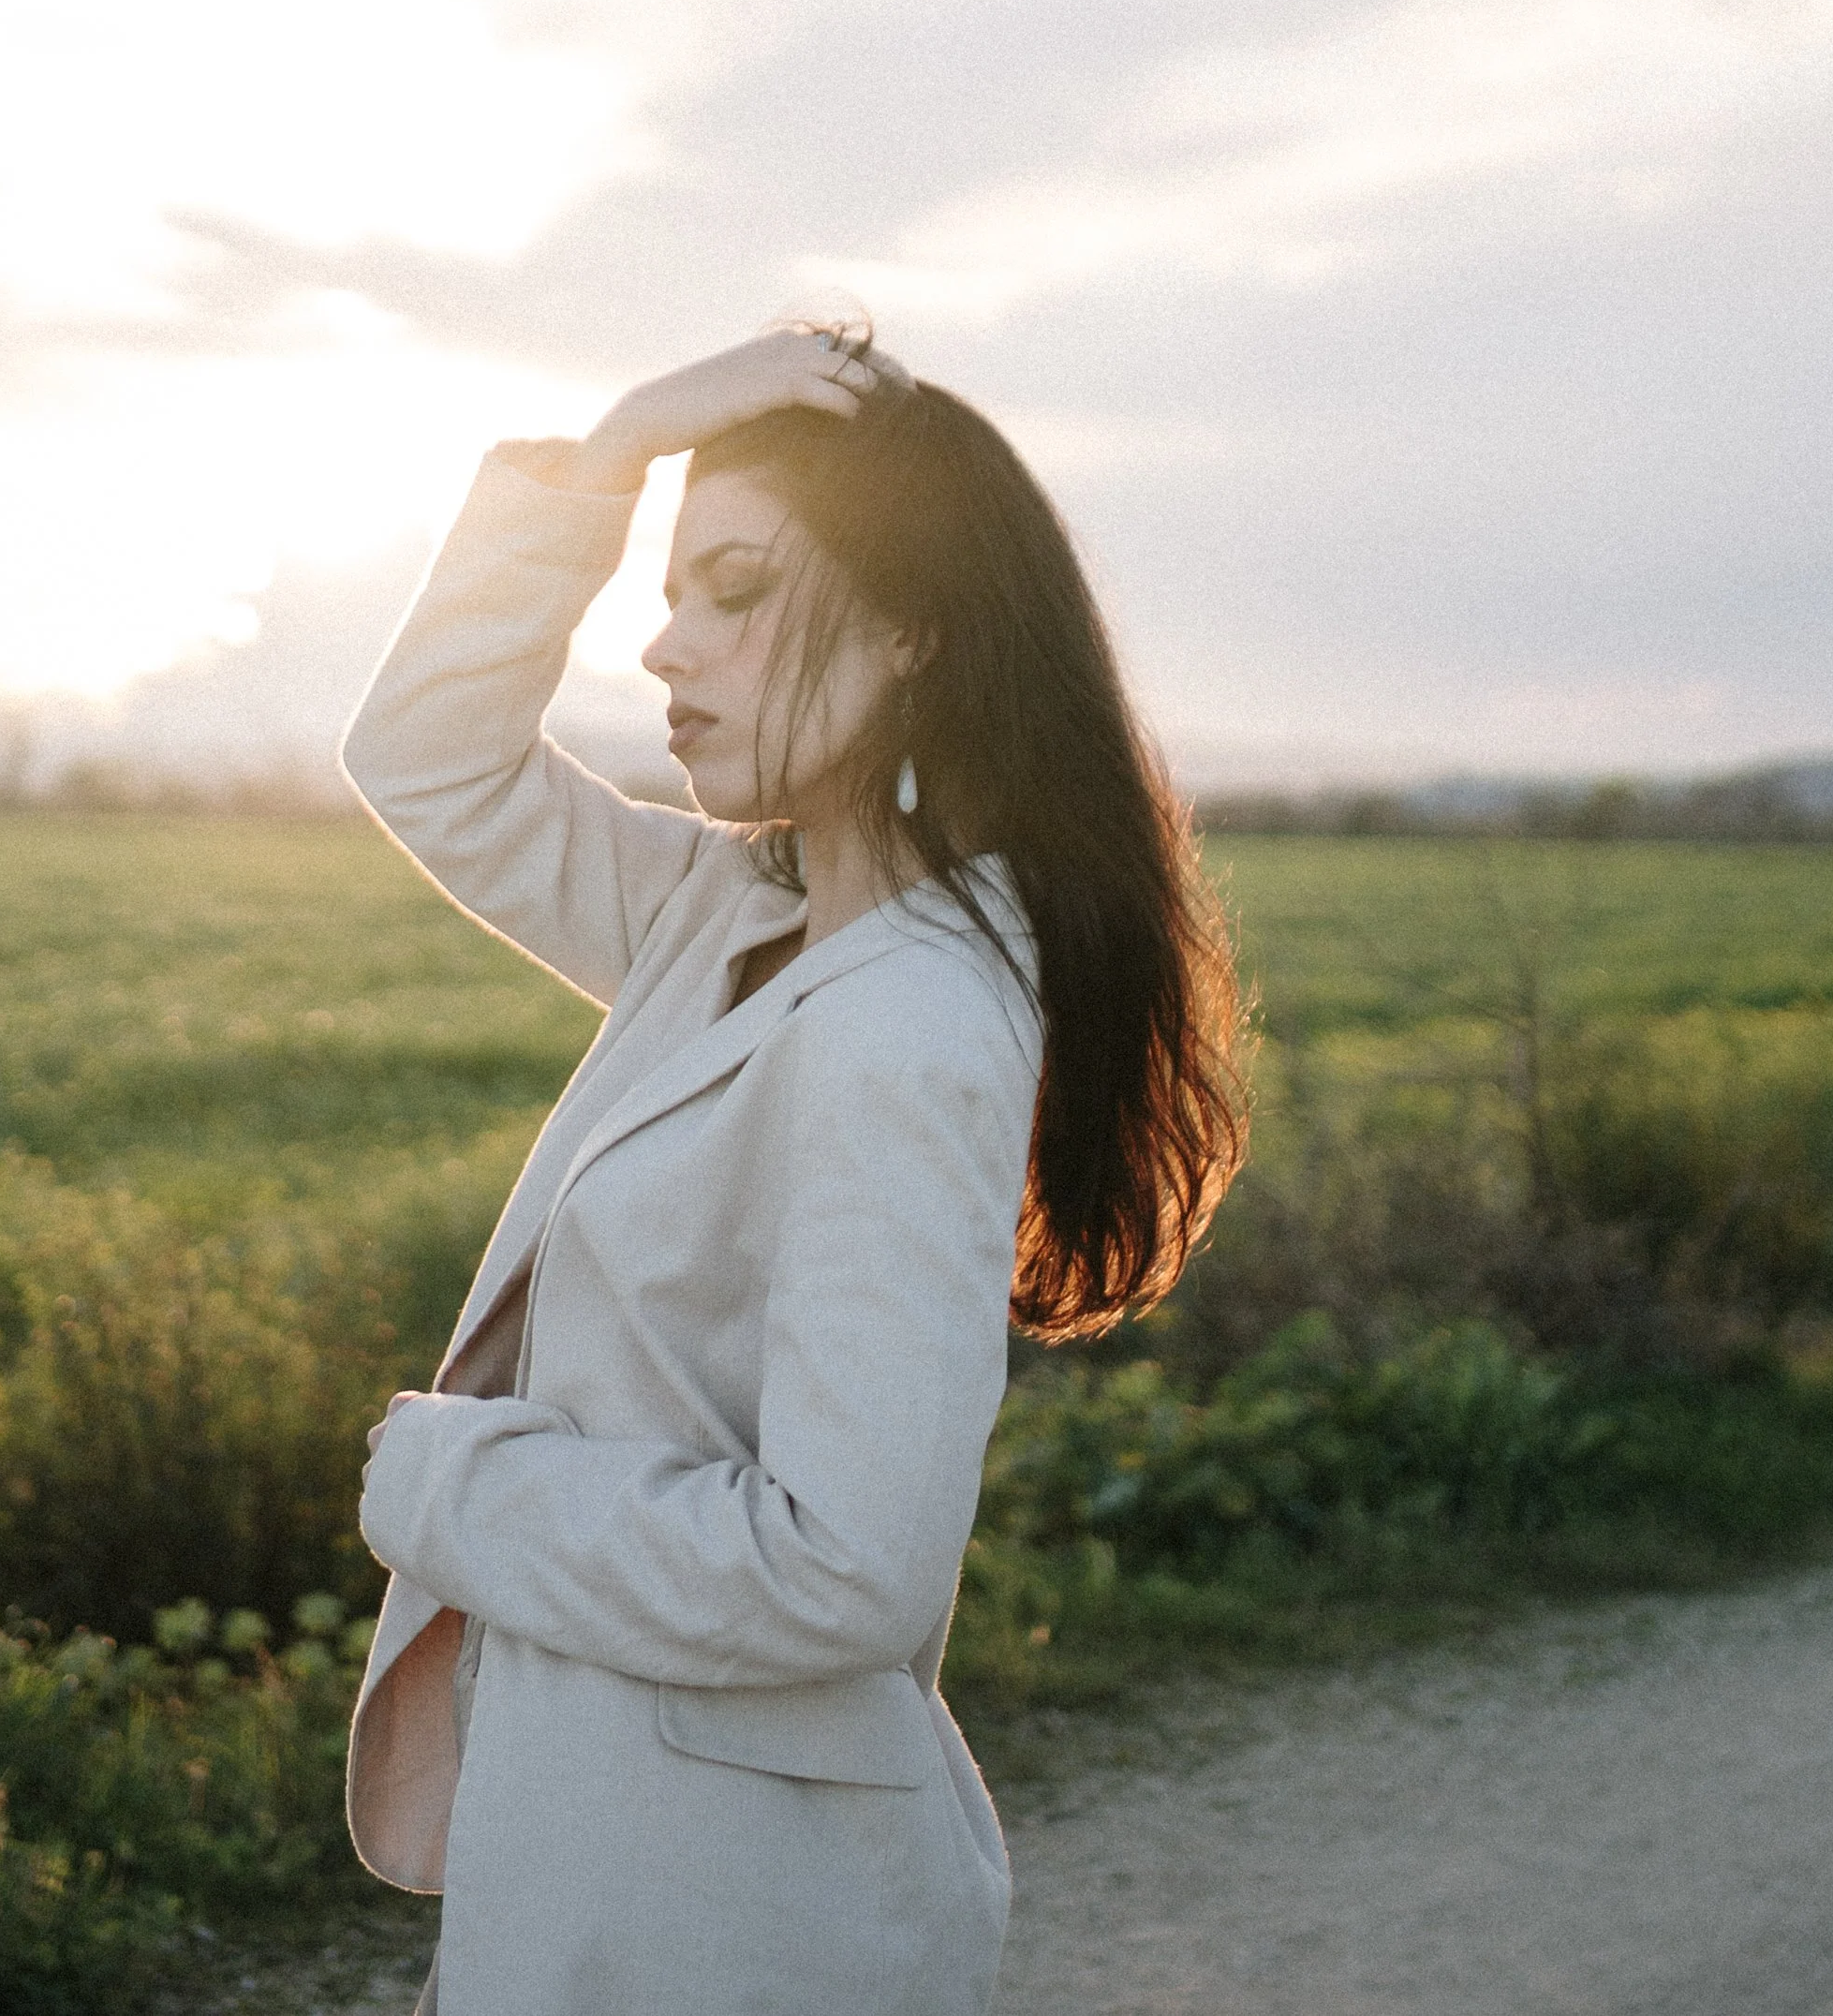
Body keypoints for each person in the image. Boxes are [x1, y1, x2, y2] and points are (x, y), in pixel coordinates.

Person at [342, 325, 1244, 2016]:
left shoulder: (913, 1016)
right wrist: (611, 448)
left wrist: (452, 1489)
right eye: (667, 595)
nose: (668, 649)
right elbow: (428, 759)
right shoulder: (732, 919)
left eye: (739, 589)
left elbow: (845, 1563)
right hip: (611, 1849)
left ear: (914, 625)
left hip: (729, 1919)